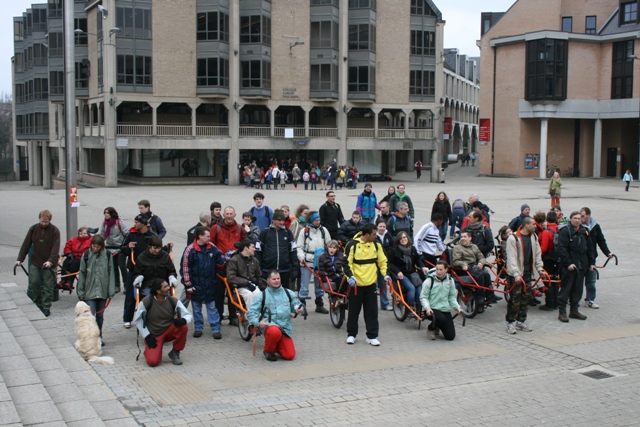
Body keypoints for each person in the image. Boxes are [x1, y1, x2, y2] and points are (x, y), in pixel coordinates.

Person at [343, 224, 389, 346]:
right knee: (353, 311)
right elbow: (346, 263)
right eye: (374, 234)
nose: (376, 236)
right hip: (356, 285)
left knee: (372, 312)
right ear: (367, 235)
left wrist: (386, 275)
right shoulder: (352, 245)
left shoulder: (376, 245)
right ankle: (351, 334)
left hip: (370, 285)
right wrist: (350, 277)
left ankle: (372, 336)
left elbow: (383, 261)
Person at [247, 270, 304, 361]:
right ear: (268, 280)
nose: (277, 281)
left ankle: (275, 343)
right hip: (270, 326)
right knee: (274, 332)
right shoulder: (262, 295)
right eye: (274, 279)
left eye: (278, 278)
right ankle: (268, 351)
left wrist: (299, 309)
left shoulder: (289, 293)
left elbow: (297, 305)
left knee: (289, 356)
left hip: (285, 328)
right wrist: (258, 323)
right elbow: (251, 313)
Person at [134, 278, 192, 366]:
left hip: (169, 330)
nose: (168, 288)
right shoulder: (146, 302)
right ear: (158, 291)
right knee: (152, 362)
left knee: (183, 327)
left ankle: (175, 352)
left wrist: (183, 320)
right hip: (154, 334)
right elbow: (138, 320)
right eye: (165, 287)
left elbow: (188, 315)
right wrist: (147, 335)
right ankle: (150, 351)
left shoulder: (172, 300)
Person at [180, 226, 224, 339]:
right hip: (196, 284)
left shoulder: (212, 247)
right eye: (207, 236)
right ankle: (198, 328)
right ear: (200, 236)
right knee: (196, 308)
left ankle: (215, 329)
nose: (209, 238)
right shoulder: (190, 250)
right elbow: (185, 268)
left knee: (212, 307)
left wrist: (228, 258)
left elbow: (220, 260)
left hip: (210, 283)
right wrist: (188, 284)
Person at [505, 217, 546, 334]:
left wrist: (540, 268)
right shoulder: (513, 239)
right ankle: (511, 322)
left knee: (526, 297)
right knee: (515, 299)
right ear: (526, 225)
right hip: (515, 274)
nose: (535, 226)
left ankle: (521, 321)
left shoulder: (534, 237)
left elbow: (537, 254)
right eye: (533, 224)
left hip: (527, 273)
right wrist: (516, 274)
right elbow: (511, 258)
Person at [16, 210, 60, 317]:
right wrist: (20, 259)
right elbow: (26, 244)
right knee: (34, 282)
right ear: (39, 219)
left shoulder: (54, 231)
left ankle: (46, 306)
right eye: (42, 221)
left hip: (49, 264)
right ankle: (38, 302)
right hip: (36, 261)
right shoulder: (33, 229)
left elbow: (55, 248)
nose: (44, 223)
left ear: (49, 220)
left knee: (48, 286)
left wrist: (50, 261)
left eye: (46, 222)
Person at [555, 211, 595, 323]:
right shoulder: (565, 231)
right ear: (571, 219)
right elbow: (561, 249)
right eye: (575, 218)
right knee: (565, 289)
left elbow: (590, 248)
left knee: (578, 290)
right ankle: (562, 312)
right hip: (569, 266)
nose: (577, 220)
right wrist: (568, 263)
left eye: (579, 218)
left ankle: (574, 310)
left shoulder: (584, 231)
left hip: (582, 264)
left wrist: (591, 263)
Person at [120, 214, 157, 329]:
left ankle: (150, 317)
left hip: (148, 270)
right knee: (131, 295)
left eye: (137, 222)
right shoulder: (131, 235)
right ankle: (127, 319)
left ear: (144, 224)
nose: (134, 224)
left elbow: (159, 248)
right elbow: (122, 249)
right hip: (134, 269)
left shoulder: (152, 236)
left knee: (149, 293)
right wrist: (128, 247)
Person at [77, 234, 115, 342]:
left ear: (102, 246)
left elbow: (111, 272)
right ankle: (90, 338)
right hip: (90, 291)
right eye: (94, 246)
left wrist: (111, 290)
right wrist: (80, 291)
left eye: (97, 247)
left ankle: (99, 336)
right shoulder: (86, 255)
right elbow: (82, 273)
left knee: (100, 316)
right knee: (90, 315)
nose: (95, 249)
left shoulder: (107, 255)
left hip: (103, 291)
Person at [296, 211, 331, 313]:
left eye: (319, 220)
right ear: (311, 221)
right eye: (316, 220)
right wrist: (301, 257)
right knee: (304, 286)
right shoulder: (304, 231)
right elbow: (299, 247)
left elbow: (329, 245)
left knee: (319, 285)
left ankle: (319, 305)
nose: (318, 222)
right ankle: (302, 306)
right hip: (307, 262)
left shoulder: (324, 231)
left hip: (320, 263)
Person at [256, 210, 299, 289]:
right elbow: (258, 251)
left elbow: (293, 251)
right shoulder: (265, 232)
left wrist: (294, 268)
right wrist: (260, 268)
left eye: (283, 220)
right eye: (279, 220)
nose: (281, 222)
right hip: (268, 270)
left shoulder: (288, 232)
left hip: (284, 270)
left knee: (284, 294)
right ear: (273, 220)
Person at [451, 230, 496, 306]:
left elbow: (481, 257)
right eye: (461, 237)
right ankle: (479, 297)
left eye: (465, 237)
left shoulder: (474, 247)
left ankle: (490, 295)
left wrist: (481, 263)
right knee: (480, 275)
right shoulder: (457, 248)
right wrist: (463, 264)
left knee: (486, 274)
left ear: (470, 238)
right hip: (464, 269)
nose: (462, 238)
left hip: (474, 267)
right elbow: (456, 261)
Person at [420, 260, 462, 341]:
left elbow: (451, 297)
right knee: (440, 318)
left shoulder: (450, 281)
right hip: (432, 308)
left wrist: (457, 308)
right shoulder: (429, 281)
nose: (438, 272)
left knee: (450, 336)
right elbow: (423, 297)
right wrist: (427, 308)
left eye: (441, 270)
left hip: (444, 309)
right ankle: (431, 328)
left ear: (446, 270)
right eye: (437, 269)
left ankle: (437, 325)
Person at [580, 207, 613, 309]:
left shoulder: (596, 227)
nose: (581, 218)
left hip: (591, 257)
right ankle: (572, 299)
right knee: (577, 280)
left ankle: (590, 300)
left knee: (591, 280)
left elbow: (601, 241)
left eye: (583, 216)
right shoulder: (579, 227)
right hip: (580, 258)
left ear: (589, 215)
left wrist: (607, 253)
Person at [388, 231, 428, 311]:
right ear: (398, 240)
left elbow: (418, 260)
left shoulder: (412, 249)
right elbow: (390, 264)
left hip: (412, 273)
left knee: (419, 287)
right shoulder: (394, 251)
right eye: (401, 238)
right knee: (411, 288)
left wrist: (423, 267)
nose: (403, 239)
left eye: (405, 237)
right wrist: (398, 272)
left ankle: (418, 306)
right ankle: (410, 308)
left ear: (408, 238)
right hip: (401, 274)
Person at [226, 239, 263, 310]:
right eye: (253, 247)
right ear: (246, 248)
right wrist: (246, 283)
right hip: (239, 287)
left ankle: (260, 317)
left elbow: (259, 275)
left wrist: (259, 284)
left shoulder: (255, 260)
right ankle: (252, 318)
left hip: (253, 285)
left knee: (259, 295)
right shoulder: (234, 260)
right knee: (249, 295)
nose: (255, 249)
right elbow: (231, 277)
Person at [100, 207, 128, 294]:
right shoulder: (104, 223)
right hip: (109, 247)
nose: (106, 214)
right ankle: (117, 285)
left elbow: (127, 233)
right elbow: (102, 234)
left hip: (120, 248)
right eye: (104, 213)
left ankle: (126, 285)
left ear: (112, 214)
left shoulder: (119, 222)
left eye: (107, 213)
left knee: (122, 266)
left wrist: (125, 245)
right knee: (113, 268)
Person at [538, 211, 560, 311]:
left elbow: (543, 248)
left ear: (546, 219)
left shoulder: (547, 232)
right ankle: (556, 302)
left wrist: (538, 257)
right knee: (555, 280)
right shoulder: (559, 229)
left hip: (548, 259)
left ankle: (549, 303)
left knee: (548, 280)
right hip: (558, 259)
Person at [375, 219, 394, 310]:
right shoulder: (374, 236)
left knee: (383, 283)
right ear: (376, 227)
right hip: (374, 264)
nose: (382, 228)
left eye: (384, 226)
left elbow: (393, 246)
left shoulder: (388, 235)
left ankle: (385, 303)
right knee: (373, 285)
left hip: (384, 263)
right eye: (380, 226)